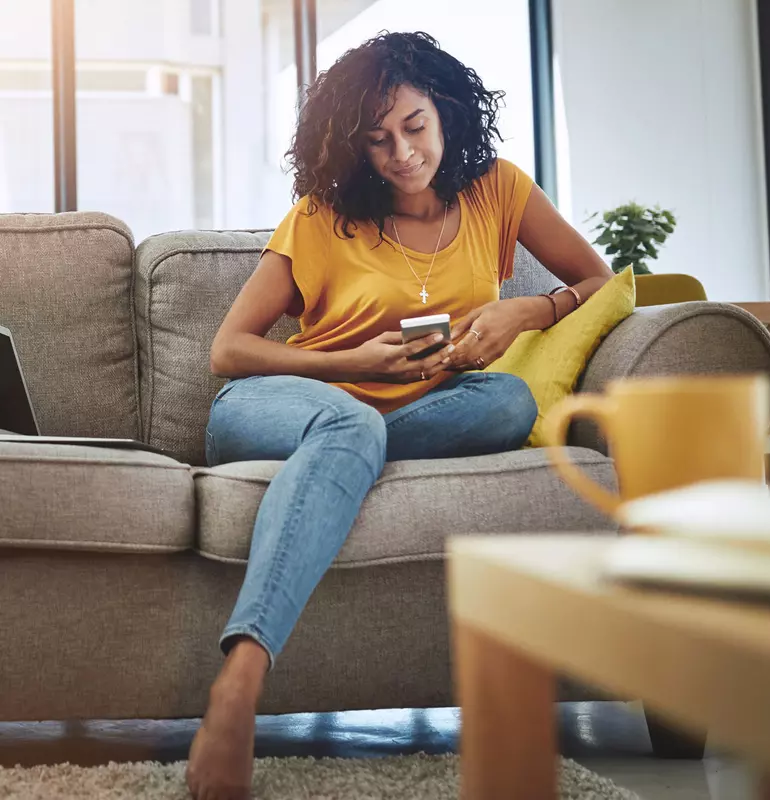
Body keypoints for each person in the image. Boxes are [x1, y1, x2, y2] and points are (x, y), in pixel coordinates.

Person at [186, 30, 612, 800]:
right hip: (282, 407)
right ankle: (240, 685)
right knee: (353, 424)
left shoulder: (500, 191)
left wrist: (526, 310)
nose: (402, 153)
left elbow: (597, 281)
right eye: (377, 140)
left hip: (421, 415)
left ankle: (344, 465)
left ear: (444, 112)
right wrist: (349, 365)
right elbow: (230, 351)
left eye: (414, 126)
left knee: (509, 400)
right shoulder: (320, 217)